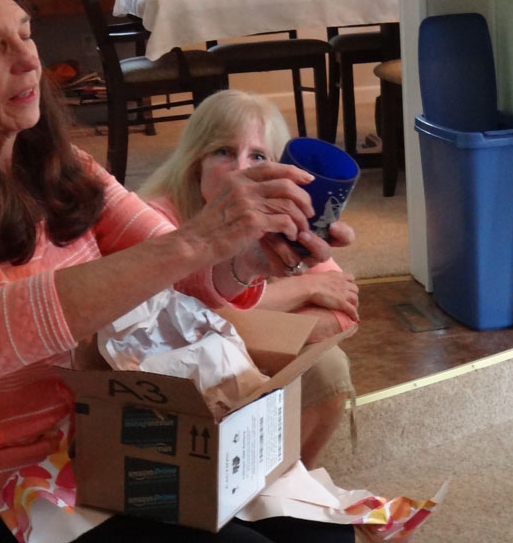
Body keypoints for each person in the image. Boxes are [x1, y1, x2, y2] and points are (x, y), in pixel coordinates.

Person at [0, 0, 355, 543]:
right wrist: (202, 236)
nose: (28, 60)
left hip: (98, 453)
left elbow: (180, 269)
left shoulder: (62, 168)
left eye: (25, 35)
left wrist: (248, 257)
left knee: (326, 537)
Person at [138, 89, 359, 467]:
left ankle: (291, 476)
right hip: (168, 377)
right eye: (223, 152)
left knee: (328, 365)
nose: (242, 169)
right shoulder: (154, 219)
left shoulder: (281, 212)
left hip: (237, 356)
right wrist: (302, 288)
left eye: (258, 156)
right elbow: (177, 330)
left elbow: (343, 314)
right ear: (195, 161)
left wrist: (239, 322)